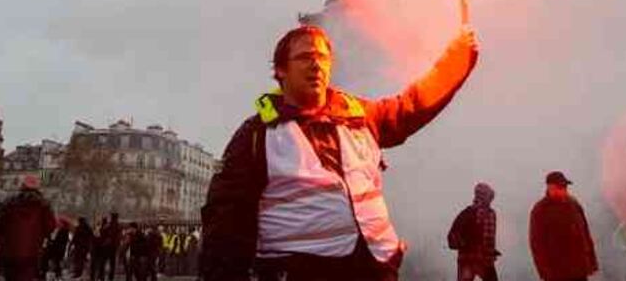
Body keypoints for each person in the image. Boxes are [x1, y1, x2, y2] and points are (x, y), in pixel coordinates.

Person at [200, 24, 480, 281]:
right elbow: (224, 222)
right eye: (305, 57)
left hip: (375, 269)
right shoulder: (255, 135)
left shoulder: (358, 115)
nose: (316, 65)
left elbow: (411, 106)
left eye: (323, 58)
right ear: (280, 70)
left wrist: (456, 63)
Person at [529, 171, 599, 281]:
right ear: (550, 187)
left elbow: (585, 233)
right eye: (560, 187)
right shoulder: (540, 210)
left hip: (579, 269)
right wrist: (545, 272)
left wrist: (591, 262)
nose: (564, 190)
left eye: (565, 187)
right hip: (557, 272)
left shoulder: (574, 204)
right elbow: (537, 244)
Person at [0, 175, 57, 281]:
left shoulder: (10, 204)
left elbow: (1, 226)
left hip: (10, 252)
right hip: (32, 252)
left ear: (22, 187)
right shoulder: (43, 206)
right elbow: (50, 227)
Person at [449, 182, 499, 281]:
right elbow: (453, 236)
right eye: (489, 196)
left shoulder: (490, 214)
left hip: (483, 260)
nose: (491, 199)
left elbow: (487, 238)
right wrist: (468, 246)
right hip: (469, 260)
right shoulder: (468, 214)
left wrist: (490, 251)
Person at [92, 213, 120, 281]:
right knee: (111, 264)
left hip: (106, 248)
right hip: (113, 248)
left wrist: (103, 243)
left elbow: (102, 235)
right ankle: (110, 278)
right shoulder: (118, 226)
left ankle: (102, 277)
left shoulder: (108, 226)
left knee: (103, 263)